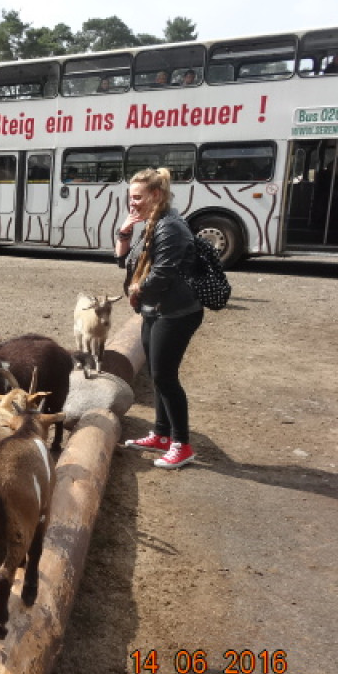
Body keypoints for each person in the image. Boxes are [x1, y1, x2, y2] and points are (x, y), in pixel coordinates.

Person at [114, 167, 203, 469]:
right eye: (130, 197)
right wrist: (125, 230)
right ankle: (162, 435)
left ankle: (182, 444)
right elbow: (122, 261)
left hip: (176, 312)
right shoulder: (152, 224)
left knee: (166, 377)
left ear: (156, 195)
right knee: (156, 374)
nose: (133, 203)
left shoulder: (170, 227)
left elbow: (162, 275)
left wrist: (137, 289)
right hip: (154, 310)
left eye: (138, 197)